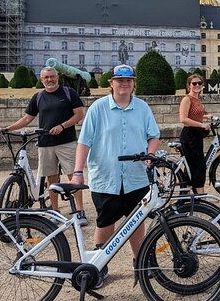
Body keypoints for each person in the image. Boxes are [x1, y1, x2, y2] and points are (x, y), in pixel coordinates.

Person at [71, 64, 160, 288]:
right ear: (111, 83)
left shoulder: (142, 107)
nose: (125, 84)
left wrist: (150, 155)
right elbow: (84, 142)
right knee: (105, 222)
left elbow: (153, 135)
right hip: (106, 177)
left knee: (136, 222)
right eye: (120, 80)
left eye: (129, 80)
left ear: (133, 84)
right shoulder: (98, 108)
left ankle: (139, 262)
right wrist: (78, 172)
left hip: (136, 177)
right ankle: (98, 267)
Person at [0, 66, 86, 223]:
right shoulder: (38, 97)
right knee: (52, 177)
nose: (49, 80)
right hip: (45, 143)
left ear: (57, 77)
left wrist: (62, 126)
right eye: (46, 77)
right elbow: (27, 119)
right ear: (41, 79)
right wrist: (7, 128)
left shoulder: (68, 93)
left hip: (66, 142)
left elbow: (79, 114)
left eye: (52, 76)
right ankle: (55, 211)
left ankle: (79, 210)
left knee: (73, 176)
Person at [178, 73, 212, 193]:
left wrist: (207, 116)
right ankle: (199, 195)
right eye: (194, 83)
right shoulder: (187, 99)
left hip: (196, 135)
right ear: (189, 85)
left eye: (199, 83)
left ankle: (191, 193)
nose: (197, 85)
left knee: (196, 166)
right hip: (189, 136)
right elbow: (183, 119)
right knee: (198, 166)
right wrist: (201, 125)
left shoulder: (197, 99)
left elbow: (197, 114)